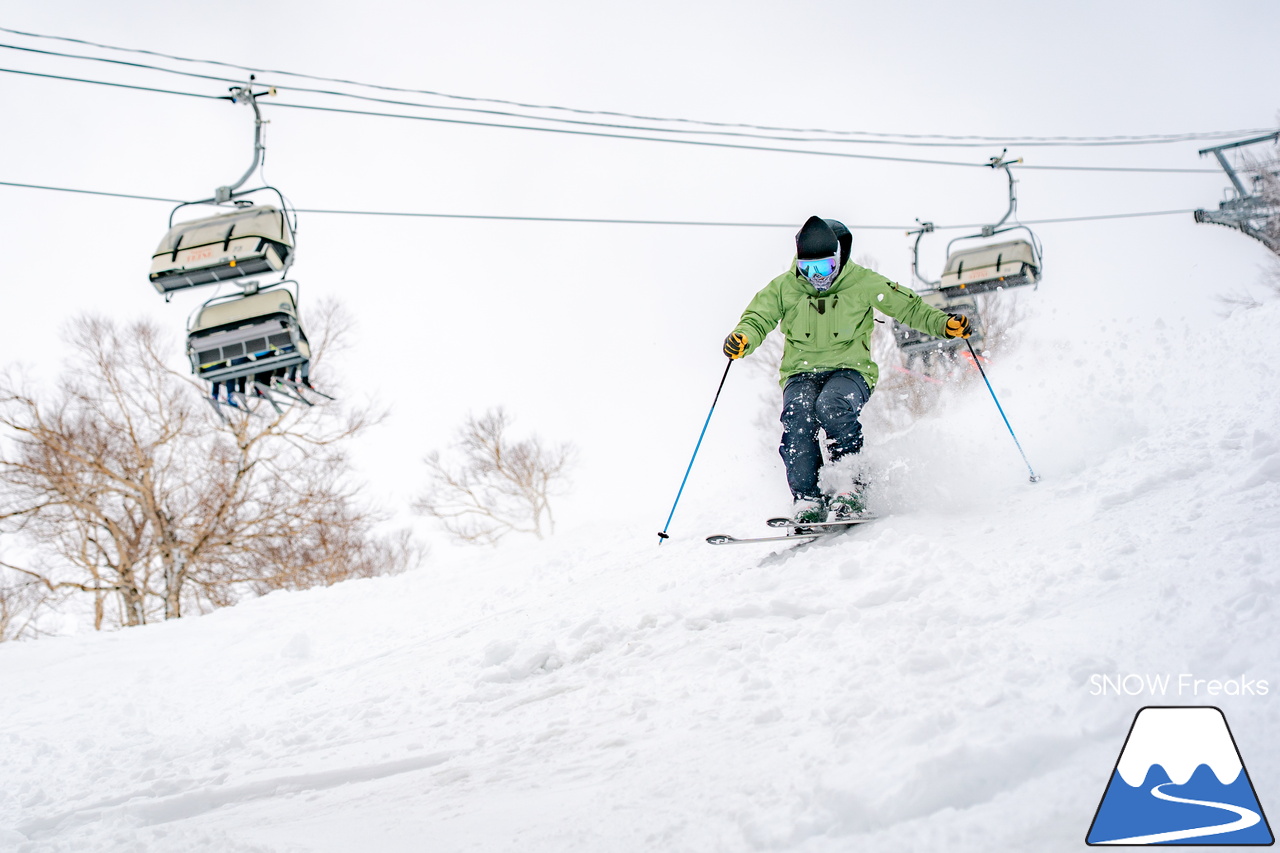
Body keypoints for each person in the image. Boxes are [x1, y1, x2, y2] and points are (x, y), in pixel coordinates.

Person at [723, 215, 971, 524]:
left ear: (838, 258)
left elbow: (907, 306)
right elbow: (758, 316)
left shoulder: (862, 282)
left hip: (850, 371)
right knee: (798, 416)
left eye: (824, 268)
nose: (817, 278)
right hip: (800, 372)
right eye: (808, 270)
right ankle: (807, 499)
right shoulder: (785, 288)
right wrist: (743, 338)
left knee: (833, 405)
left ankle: (849, 488)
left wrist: (943, 324)